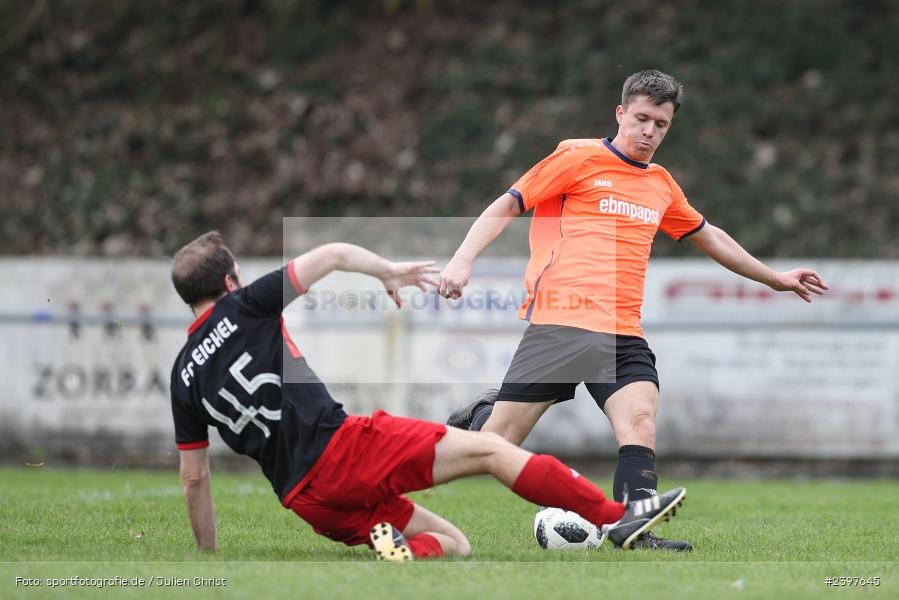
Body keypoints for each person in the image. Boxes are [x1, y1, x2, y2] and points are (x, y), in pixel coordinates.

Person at [438, 69, 828, 551]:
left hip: (621, 329)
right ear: (620, 113)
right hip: (562, 322)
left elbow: (708, 235)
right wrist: (461, 259)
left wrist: (775, 277)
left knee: (639, 421)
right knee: (491, 448)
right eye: (641, 118)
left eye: (661, 124)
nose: (649, 131)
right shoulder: (576, 157)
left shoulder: (661, 185)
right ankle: (459, 432)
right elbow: (508, 203)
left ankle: (633, 529)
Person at [168, 231, 687, 560]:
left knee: (453, 546)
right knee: (491, 450)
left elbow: (194, 478)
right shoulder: (245, 307)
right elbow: (329, 255)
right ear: (232, 281)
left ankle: (397, 557)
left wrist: (210, 556)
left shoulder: (182, 375)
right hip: (347, 450)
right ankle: (616, 518)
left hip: (309, 502)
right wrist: (386, 271)